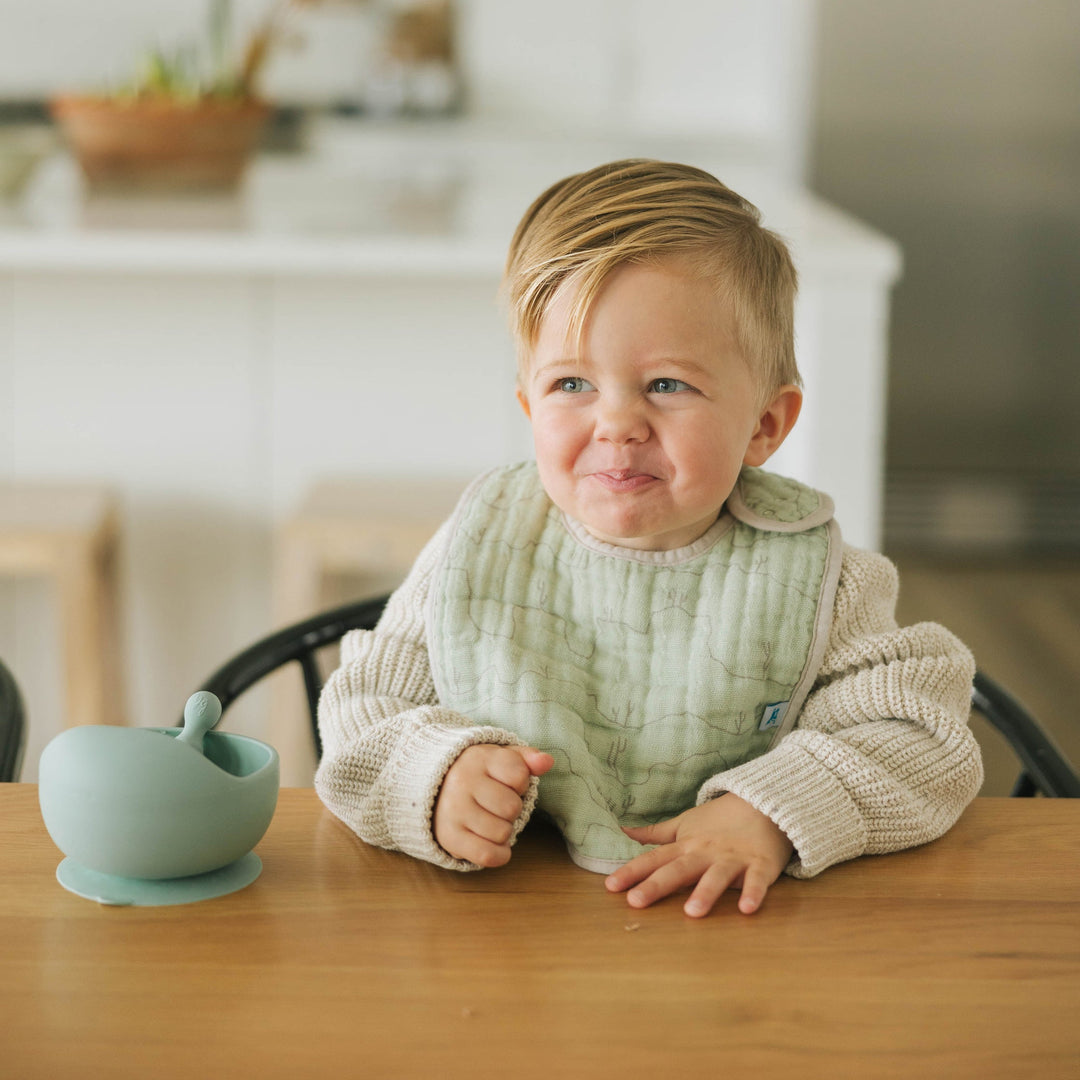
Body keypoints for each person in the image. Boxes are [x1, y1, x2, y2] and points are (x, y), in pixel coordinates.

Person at [315, 159, 982, 918]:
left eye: (667, 384)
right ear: (530, 407)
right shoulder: (482, 546)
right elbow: (364, 709)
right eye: (571, 384)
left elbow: (922, 738)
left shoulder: (823, 580)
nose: (616, 423)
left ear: (765, 425)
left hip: (738, 934)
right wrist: (437, 776)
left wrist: (768, 812)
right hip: (510, 938)